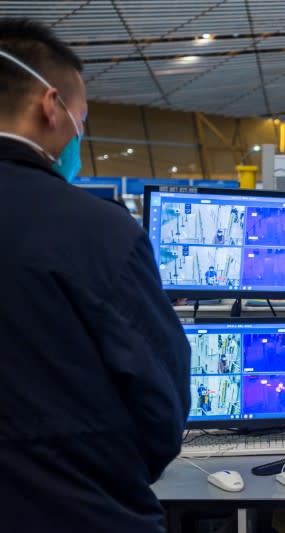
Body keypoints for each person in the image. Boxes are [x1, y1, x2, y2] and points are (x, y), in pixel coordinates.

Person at [0, 19, 189, 532]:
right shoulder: (99, 232)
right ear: (50, 105)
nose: (78, 135)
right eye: (81, 119)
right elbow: (161, 407)